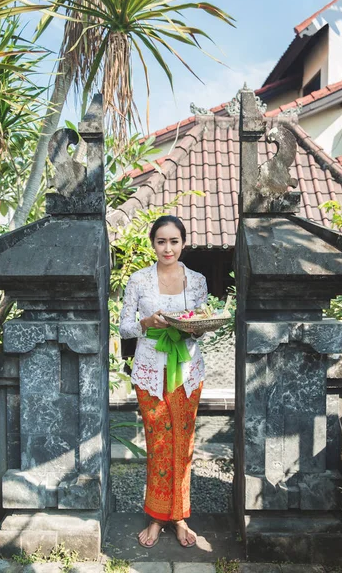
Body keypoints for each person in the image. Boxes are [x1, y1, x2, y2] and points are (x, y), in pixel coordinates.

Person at [119, 215, 208, 549]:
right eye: (161, 241)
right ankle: (157, 518)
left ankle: (180, 517)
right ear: (153, 243)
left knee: (183, 447)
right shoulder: (138, 281)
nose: (167, 248)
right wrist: (145, 322)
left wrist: (195, 326)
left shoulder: (197, 280)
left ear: (183, 243)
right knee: (158, 445)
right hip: (149, 374)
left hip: (187, 373)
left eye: (174, 241)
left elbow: (202, 322)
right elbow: (124, 327)